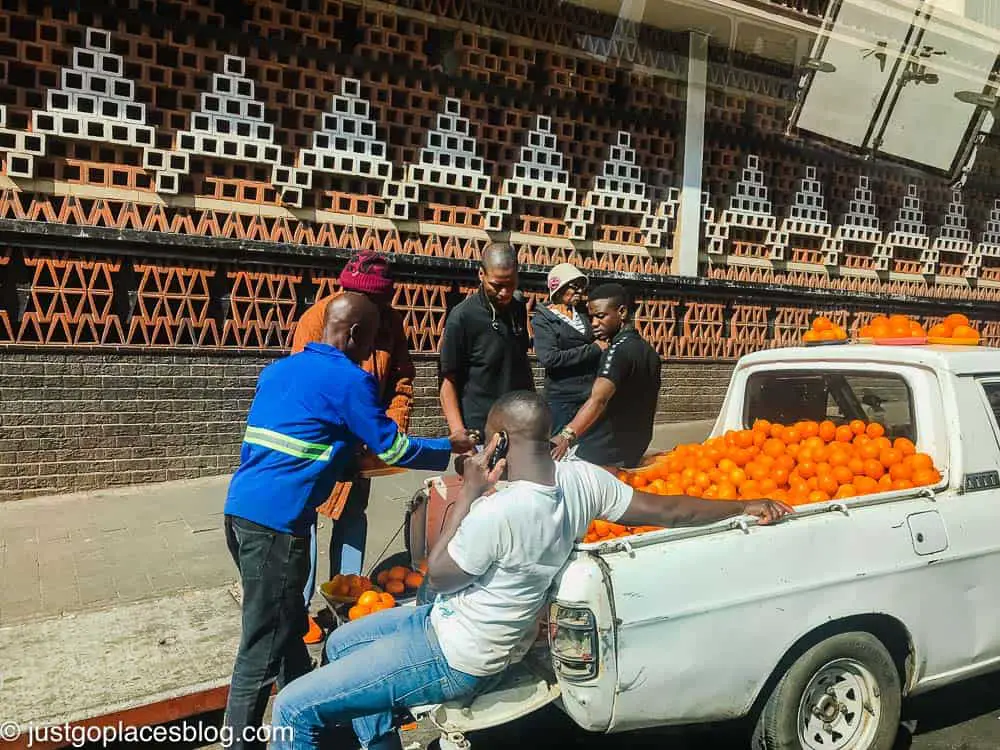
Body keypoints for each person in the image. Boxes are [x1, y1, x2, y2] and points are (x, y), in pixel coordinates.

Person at [269, 392, 792, 749]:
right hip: (453, 625)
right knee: (340, 645)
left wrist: (469, 494)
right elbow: (667, 510)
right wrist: (742, 504)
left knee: (293, 708)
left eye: (485, 439)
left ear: (499, 442)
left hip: (456, 652)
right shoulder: (583, 479)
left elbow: (437, 578)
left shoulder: (500, 510)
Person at [222, 292, 474, 749]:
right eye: (375, 338)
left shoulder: (280, 369)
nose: (377, 349)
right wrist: (450, 447)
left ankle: (311, 712)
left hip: (240, 513)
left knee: (286, 626)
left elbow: (301, 438)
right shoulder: (349, 381)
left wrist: (339, 451)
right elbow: (393, 448)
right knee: (261, 645)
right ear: (356, 334)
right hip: (277, 527)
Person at [291, 251, 415, 643]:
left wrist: (388, 433)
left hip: (365, 445)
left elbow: (402, 382)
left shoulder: (391, 324)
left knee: (352, 516)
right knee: (306, 521)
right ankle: (300, 610)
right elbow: (306, 384)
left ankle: (346, 601)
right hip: (321, 446)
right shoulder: (317, 319)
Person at [550, 283, 660, 468]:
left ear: (622, 312)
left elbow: (598, 399)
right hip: (634, 448)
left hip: (601, 452)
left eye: (601, 316)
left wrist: (566, 436)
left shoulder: (617, 351)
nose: (594, 323)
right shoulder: (649, 352)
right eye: (591, 317)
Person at [438, 242, 534, 438]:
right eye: (497, 285)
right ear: (481, 274)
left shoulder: (518, 308)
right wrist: (458, 431)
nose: (505, 293)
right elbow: (448, 380)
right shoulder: (462, 317)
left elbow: (522, 363)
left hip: (518, 425)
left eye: (511, 284)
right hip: (480, 430)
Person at [532, 263, 606, 435]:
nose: (580, 291)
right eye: (574, 286)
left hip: (587, 396)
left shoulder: (582, 317)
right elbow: (550, 358)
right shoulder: (544, 320)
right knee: (558, 449)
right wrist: (592, 349)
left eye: (582, 287)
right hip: (561, 399)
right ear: (558, 288)